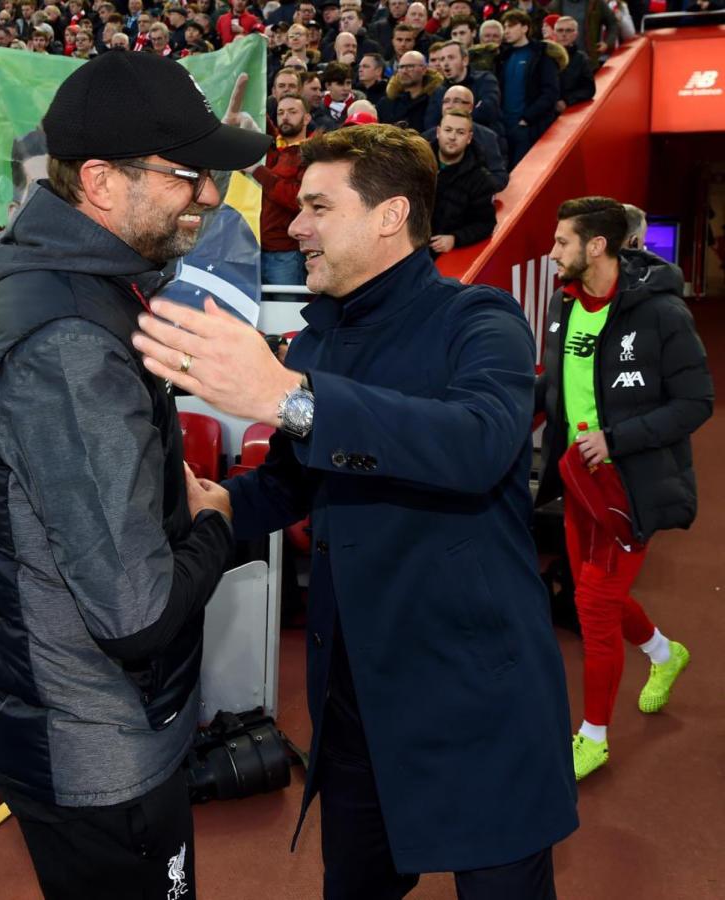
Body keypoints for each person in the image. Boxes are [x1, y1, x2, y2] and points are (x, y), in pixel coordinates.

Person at [133, 123, 577, 900]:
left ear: (389, 215)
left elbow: (475, 446)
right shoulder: (316, 340)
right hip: (355, 704)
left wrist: (285, 397)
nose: (294, 226)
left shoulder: (480, 322)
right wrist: (219, 501)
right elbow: (293, 483)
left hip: (474, 695)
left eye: (316, 207)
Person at [0, 51, 271, 900]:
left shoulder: (56, 285)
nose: (207, 195)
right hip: (96, 744)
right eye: (186, 175)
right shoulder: (69, 341)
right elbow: (136, 612)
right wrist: (216, 522)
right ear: (98, 180)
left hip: (71, 718)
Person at [538, 197, 713, 781]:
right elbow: (556, 388)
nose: (553, 251)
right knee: (600, 594)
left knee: (591, 604)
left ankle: (593, 738)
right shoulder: (563, 302)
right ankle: (665, 654)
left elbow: (696, 403)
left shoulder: (662, 314)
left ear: (596, 247)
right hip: (576, 479)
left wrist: (616, 439)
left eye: (563, 242)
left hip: (630, 484)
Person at [248, 94, 312, 300]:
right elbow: (258, 119)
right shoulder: (276, 149)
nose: (285, 117)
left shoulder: (311, 154)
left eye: (293, 112)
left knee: (287, 318)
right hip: (254, 251)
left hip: (286, 254)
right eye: (281, 113)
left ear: (307, 118)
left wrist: (258, 171)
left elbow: (299, 199)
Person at [496, 9, 559, 169]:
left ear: (525, 28)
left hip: (528, 127)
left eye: (511, 26)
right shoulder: (503, 56)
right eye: (505, 26)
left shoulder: (541, 54)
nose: (506, 31)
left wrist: (527, 118)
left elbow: (550, 92)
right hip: (504, 127)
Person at [429, 109, 497, 254]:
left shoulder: (481, 180)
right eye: (448, 130)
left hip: (443, 255)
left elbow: (486, 224)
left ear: (469, 137)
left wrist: (455, 239)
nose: (453, 137)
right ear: (438, 132)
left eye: (460, 132)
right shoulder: (417, 163)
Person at [427, 84, 508, 191]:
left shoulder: (487, 137)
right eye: (445, 101)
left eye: (456, 101)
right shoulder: (427, 137)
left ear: (470, 107)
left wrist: (469, 188)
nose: (449, 106)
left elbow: (499, 178)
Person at [423, 39, 502, 133]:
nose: (445, 63)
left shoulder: (485, 80)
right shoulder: (439, 90)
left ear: (465, 60)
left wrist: (450, 125)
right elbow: (431, 123)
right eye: (442, 59)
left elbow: (487, 111)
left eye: (451, 57)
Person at [377, 50, 442, 130]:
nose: (404, 71)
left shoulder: (435, 101)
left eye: (410, 66)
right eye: (401, 67)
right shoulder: (386, 103)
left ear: (424, 69)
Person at [554, 16, 596, 110]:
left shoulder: (581, 59)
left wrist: (567, 101)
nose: (564, 34)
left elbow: (589, 89)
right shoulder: (544, 56)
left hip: (568, 110)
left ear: (576, 34)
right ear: (554, 33)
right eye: (560, 30)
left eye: (568, 30)